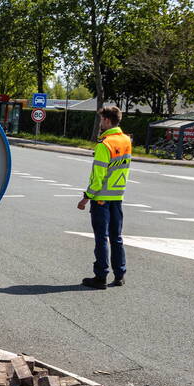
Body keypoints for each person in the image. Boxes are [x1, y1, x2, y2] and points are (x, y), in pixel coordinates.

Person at [77, 106, 131, 289]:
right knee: (116, 237)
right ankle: (120, 275)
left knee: (101, 237)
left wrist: (87, 197)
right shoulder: (126, 141)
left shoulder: (104, 144)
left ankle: (100, 277)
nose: (100, 123)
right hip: (118, 195)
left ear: (107, 121)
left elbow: (98, 176)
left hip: (101, 198)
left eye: (101, 120)